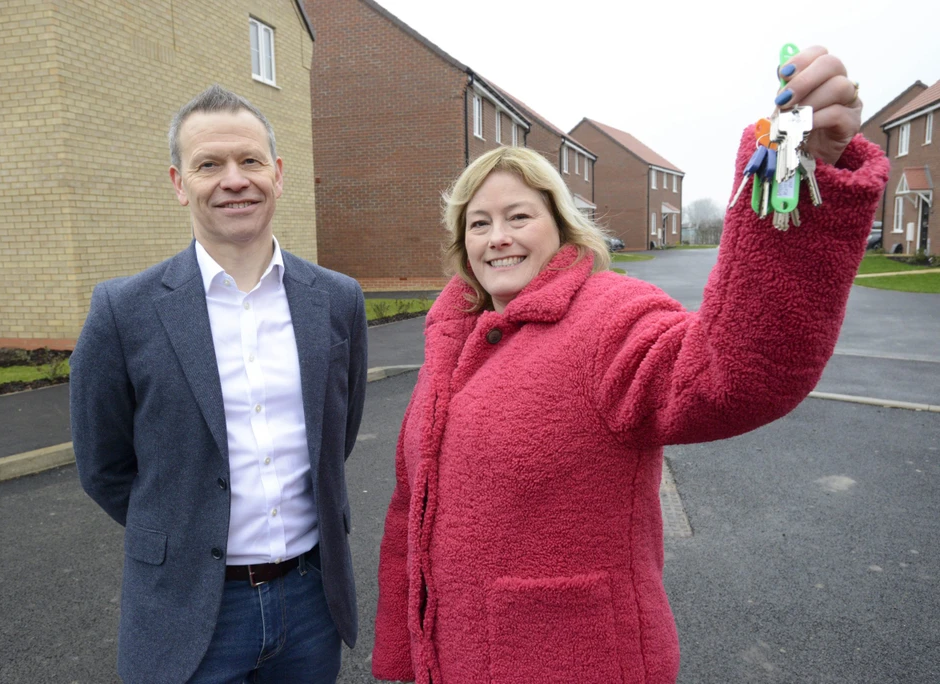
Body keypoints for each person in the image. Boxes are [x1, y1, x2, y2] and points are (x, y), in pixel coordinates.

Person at [371, 46, 887, 683]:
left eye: (518, 216)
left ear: (561, 227)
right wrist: (401, 654)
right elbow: (408, 511)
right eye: (479, 223)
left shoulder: (607, 318)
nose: (496, 236)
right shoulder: (449, 344)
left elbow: (733, 373)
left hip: (571, 662)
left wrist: (799, 162)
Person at [71, 84, 367, 683]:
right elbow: (103, 467)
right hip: (188, 609)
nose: (234, 180)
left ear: (278, 174)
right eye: (209, 165)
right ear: (180, 183)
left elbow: (338, 435)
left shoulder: (337, 300)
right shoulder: (122, 311)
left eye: (250, 161)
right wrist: (182, 528)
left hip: (311, 602)